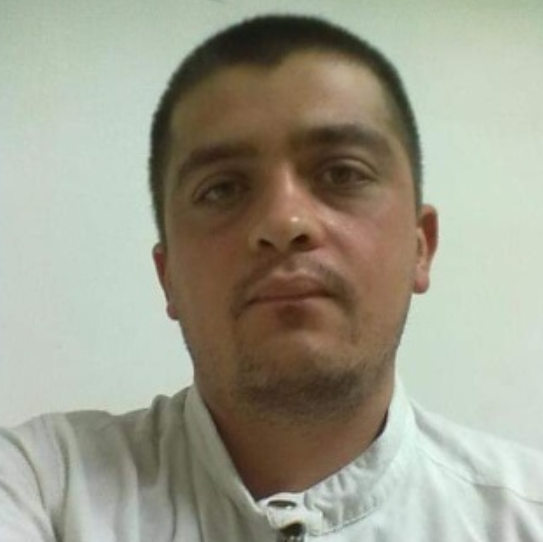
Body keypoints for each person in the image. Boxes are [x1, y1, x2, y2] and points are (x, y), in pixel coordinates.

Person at [1, 13, 542, 541]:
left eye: (342, 173)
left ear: (421, 246)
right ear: (167, 277)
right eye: (222, 188)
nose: (285, 221)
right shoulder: (44, 488)